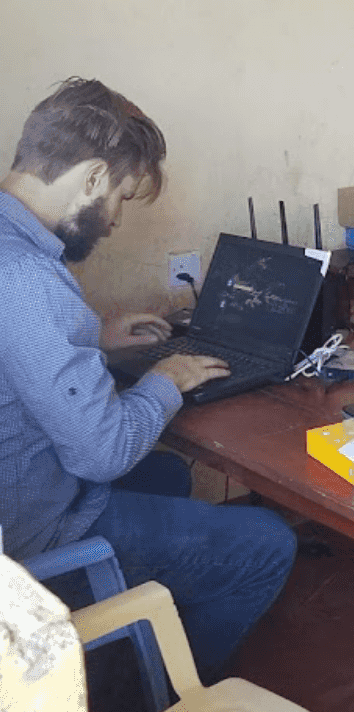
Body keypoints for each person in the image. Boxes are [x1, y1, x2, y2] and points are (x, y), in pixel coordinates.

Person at [0, 77, 296, 685]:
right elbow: (103, 453)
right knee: (267, 543)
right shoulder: (28, 278)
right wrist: (166, 380)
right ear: (90, 178)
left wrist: (96, 336)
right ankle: (166, 692)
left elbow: (19, 348)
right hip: (36, 539)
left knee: (170, 473)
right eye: (121, 197)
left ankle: (141, 633)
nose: (112, 221)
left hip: (20, 500)